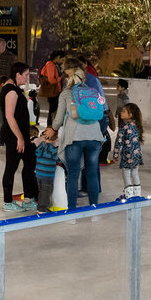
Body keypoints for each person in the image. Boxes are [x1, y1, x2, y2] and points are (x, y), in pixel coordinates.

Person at [43, 58, 103, 210]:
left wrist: (53, 129)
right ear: (83, 77)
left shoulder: (66, 94)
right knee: (91, 173)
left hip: (74, 137)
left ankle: (71, 211)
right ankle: (94, 208)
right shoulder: (92, 91)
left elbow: (58, 119)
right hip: (94, 136)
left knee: (73, 175)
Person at [0, 62, 39, 212]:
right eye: (26, 75)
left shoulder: (15, 89)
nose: (28, 78)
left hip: (21, 134)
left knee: (30, 161)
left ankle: (29, 198)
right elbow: (9, 117)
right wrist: (19, 138)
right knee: (11, 166)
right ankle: (7, 201)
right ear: (17, 75)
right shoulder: (11, 91)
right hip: (14, 136)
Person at [113, 103, 145, 199]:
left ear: (130, 115)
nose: (121, 113)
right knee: (135, 173)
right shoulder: (137, 125)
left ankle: (129, 196)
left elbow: (118, 142)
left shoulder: (124, 127)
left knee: (126, 174)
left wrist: (115, 155)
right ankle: (137, 195)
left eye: (123, 111)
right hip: (136, 155)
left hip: (127, 155)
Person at [34, 126, 58, 213]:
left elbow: (37, 153)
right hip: (47, 175)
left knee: (41, 191)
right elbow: (57, 158)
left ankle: (40, 206)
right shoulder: (53, 149)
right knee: (46, 192)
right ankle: (42, 209)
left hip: (39, 174)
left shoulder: (40, 146)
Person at [39, 50, 65, 128]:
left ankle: (51, 128)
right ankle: (50, 128)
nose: (62, 61)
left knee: (54, 110)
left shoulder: (54, 65)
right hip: (53, 92)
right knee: (53, 111)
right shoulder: (50, 65)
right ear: (57, 57)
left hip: (55, 92)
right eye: (62, 59)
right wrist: (60, 78)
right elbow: (51, 80)